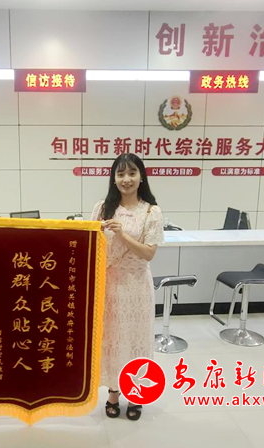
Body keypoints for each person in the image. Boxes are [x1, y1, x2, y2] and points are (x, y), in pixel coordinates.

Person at [92, 153, 164, 421]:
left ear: (141, 177)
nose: (126, 179)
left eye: (132, 173)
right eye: (120, 174)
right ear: (113, 178)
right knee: (111, 340)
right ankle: (113, 392)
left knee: (136, 341)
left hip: (136, 287)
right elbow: (91, 246)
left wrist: (121, 234)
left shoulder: (151, 211)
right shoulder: (102, 208)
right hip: (108, 286)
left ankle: (136, 393)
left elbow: (149, 253)